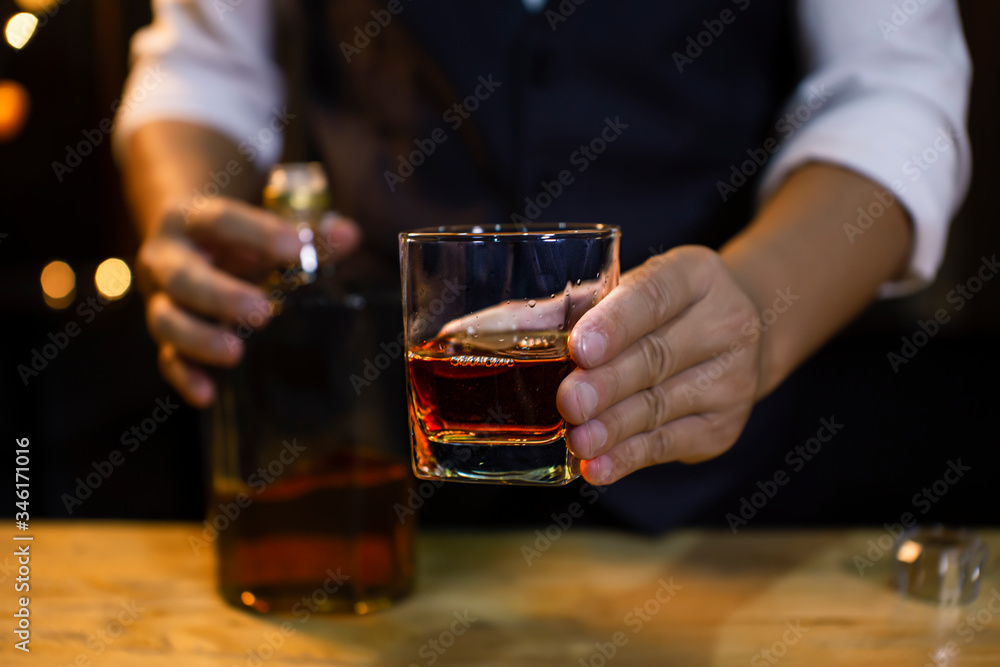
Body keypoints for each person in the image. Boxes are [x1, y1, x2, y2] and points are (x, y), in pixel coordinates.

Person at [114, 0, 970, 531]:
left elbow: (890, 92)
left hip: (728, 507)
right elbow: (201, 72)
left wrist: (754, 307)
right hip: (369, 476)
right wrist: (189, 217)